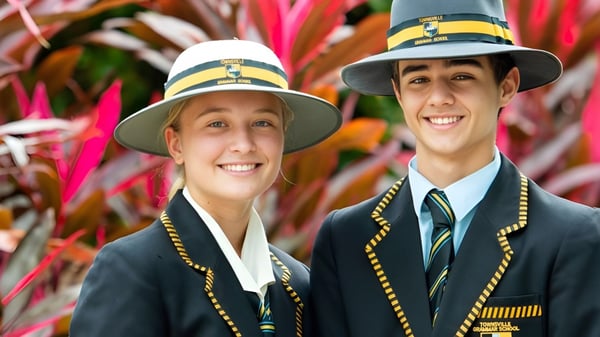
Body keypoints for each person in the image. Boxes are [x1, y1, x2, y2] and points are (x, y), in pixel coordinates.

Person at [309, 0, 600, 336]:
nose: (439, 97)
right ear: (398, 92)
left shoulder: (572, 237)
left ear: (506, 86)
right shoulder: (346, 239)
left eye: (462, 75)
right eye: (418, 79)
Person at [69, 39, 341, 337]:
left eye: (262, 122)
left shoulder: (297, 284)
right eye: (216, 124)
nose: (243, 144)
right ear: (176, 144)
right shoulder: (131, 270)